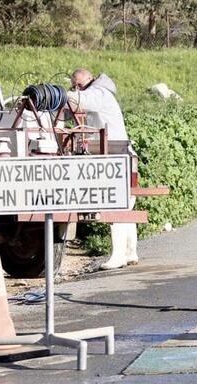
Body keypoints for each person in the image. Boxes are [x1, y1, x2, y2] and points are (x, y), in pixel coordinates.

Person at [67, 68, 138, 270]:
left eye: (79, 85)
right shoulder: (93, 92)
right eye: (74, 86)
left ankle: (118, 257)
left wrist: (61, 94)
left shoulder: (99, 93)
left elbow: (84, 100)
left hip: (117, 154)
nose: (77, 89)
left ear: (90, 80)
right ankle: (131, 252)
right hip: (115, 153)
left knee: (117, 204)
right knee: (126, 205)